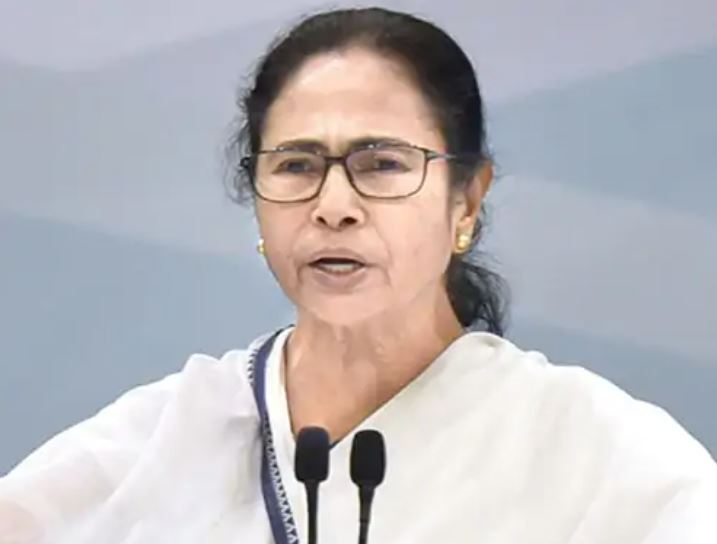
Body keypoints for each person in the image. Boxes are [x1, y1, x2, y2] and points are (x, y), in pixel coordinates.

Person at [1, 6, 715, 544]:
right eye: (296, 165)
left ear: (466, 200)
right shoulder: (158, 442)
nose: (333, 206)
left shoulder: (596, 454)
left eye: (383, 164)